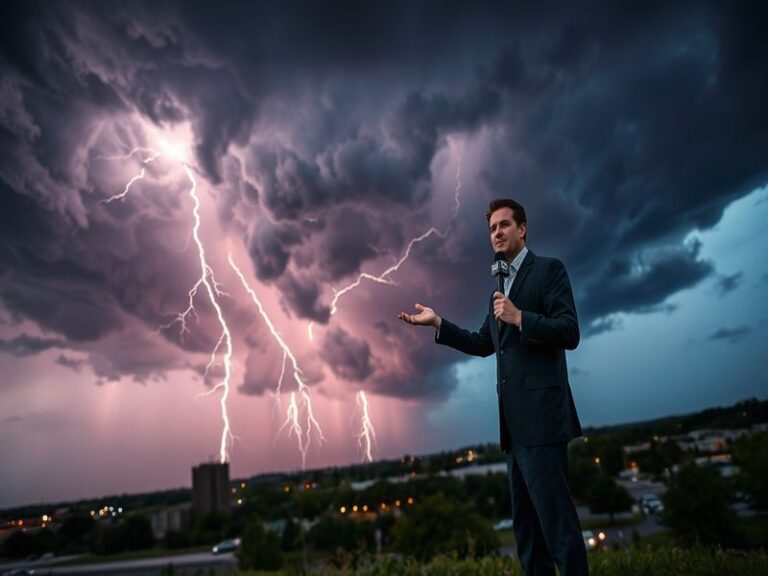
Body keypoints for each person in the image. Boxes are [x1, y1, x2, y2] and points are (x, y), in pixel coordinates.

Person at [398, 198, 588, 576]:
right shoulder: (498, 289)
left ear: (523, 229)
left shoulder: (549, 270)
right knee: (528, 538)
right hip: (513, 432)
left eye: (504, 225)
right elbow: (484, 343)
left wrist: (521, 318)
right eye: (491, 229)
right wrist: (438, 323)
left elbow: (570, 331)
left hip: (544, 425)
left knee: (558, 529)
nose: (497, 233)